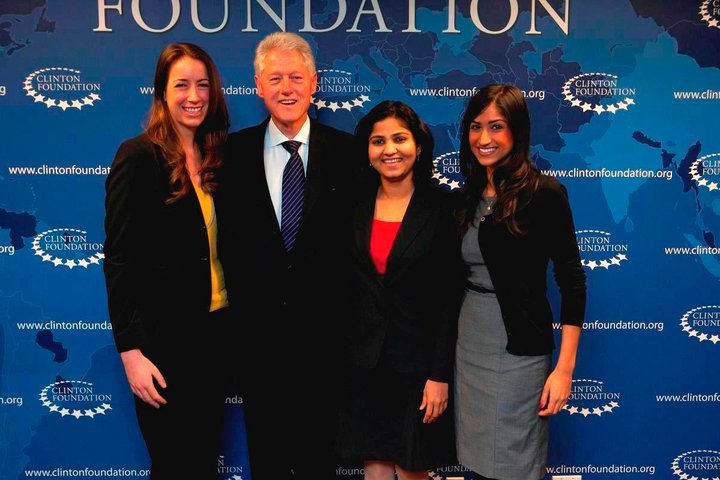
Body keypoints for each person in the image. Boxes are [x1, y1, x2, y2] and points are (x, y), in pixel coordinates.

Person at [217, 32, 355, 480]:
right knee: (269, 462)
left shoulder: (350, 154)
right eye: (275, 78)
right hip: (258, 345)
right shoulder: (230, 155)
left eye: (296, 77)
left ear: (314, 83)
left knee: (320, 464)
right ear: (258, 86)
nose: (287, 88)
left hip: (327, 345)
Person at [103, 42, 231, 479]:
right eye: (182, 85)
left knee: (202, 463)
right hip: (161, 346)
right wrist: (131, 352)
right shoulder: (138, 156)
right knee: (175, 464)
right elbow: (119, 260)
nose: (194, 96)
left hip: (214, 338)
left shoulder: (217, 159)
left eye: (203, 85)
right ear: (161, 92)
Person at [453, 84, 586, 480]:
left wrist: (564, 370)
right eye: (476, 127)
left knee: (514, 463)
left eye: (496, 126)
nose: (484, 138)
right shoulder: (467, 196)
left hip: (519, 349)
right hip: (469, 343)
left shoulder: (545, 194)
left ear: (517, 131)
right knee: (478, 461)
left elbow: (572, 281)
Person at [335, 100, 464, 480]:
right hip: (362, 365)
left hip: (417, 369)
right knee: (374, 467)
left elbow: (448, 300)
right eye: (378, 141)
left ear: (418, 146)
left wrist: (439, 376)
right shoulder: (351, 206)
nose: (389, 149)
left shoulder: (444, 208)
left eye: (399, 139)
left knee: (412, 470)